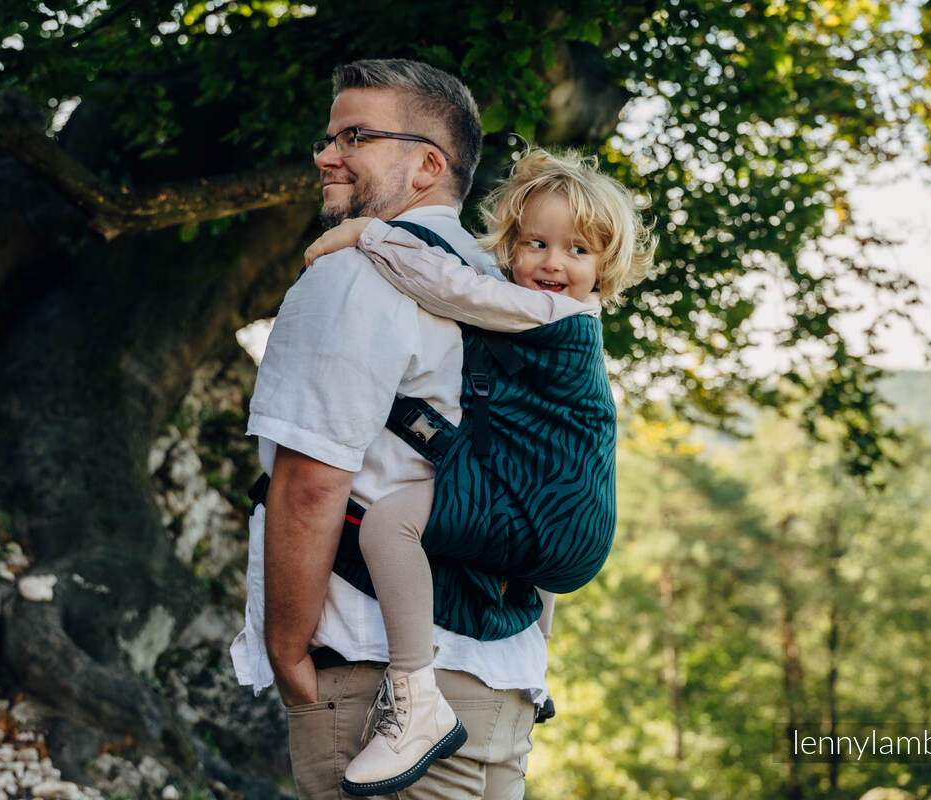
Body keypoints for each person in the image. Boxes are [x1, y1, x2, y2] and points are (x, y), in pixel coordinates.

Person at [229, 59, 546, 800]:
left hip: (382, 694)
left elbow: (311, 484)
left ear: (427, 164)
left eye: (355, 136)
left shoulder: (349, 274)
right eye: (329, 136)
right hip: (504, 684)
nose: (324, 155)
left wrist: (285, 652)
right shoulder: (512, 291)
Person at [302, 147, 657, 794]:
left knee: (388, 526)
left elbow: (453, 287)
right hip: (570, 518)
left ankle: (415, 699)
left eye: (578, 251)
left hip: (553, 507)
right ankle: (535, 676)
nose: (552, 263)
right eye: (536, 243)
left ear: (605, 267)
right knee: (524, 552)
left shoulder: (557, 314)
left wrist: (367, 232)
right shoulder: (565, 316)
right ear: (511, 245)